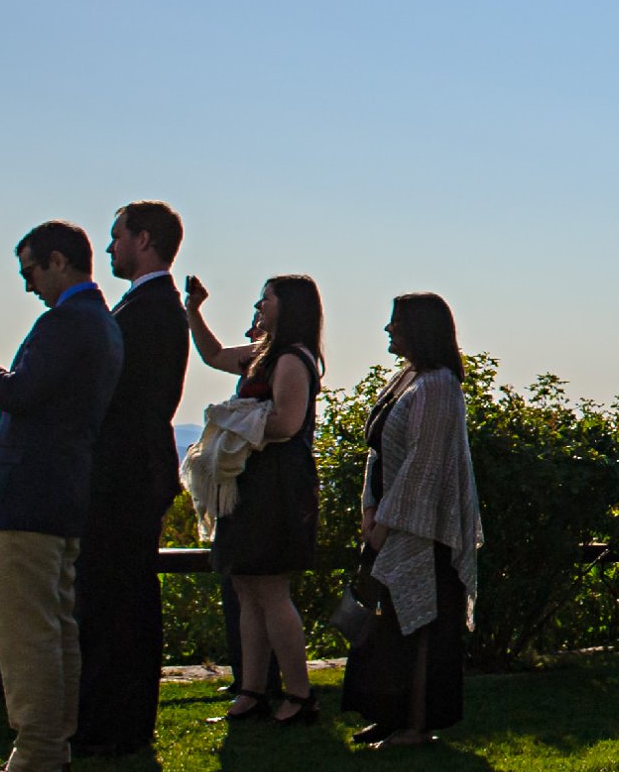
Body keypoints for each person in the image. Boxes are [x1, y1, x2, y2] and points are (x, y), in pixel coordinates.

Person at [0, 220, 124, 772]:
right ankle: (46, 749)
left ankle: (37, 760)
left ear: (58, 262)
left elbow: (20, 394)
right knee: (55, 625)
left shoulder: (66, 322)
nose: (27, 286)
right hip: (63, 492)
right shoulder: (102, 324)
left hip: (29, 495)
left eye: (30, 271)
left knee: (27, 633)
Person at [68, 201, 189, 760]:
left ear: (143, 240)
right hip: (135, 467)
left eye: (116, 238)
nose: (110, 248)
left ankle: (112, 723)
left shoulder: (150, 309)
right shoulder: (150, 306)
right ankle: (117, 721)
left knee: (114, 599)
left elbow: (118, 394)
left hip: (125, 471)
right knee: (122, 597)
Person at [344, 293, 483, 747]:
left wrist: (389, 522)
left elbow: (425, 464)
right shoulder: (407, 379)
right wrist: (369, 510)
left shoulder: (439, 385)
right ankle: (388, 714)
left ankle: (417, 724)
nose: (387, 330)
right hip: (390, 518)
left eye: (395, 323)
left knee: (421, 625)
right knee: (388, 626)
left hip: (424, 530)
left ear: (419, 329)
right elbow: (381, 451)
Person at [186, 273, 324, 723]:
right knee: (246, 587)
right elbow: (212, 355)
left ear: (289, 307)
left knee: (270, 588)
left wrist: (232, 422)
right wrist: (195, 309)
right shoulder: (263, 355)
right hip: (252, 483)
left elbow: (286, 423)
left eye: (266, 299)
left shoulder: (290, 360)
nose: (259, 306)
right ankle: (251, 690)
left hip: (276, 486)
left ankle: (299, 695)